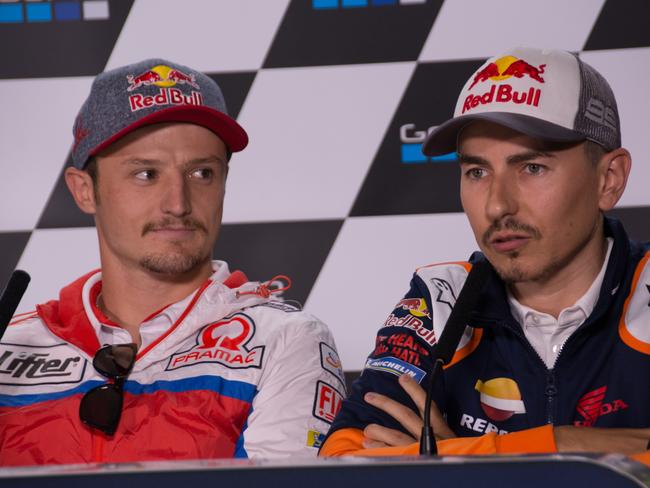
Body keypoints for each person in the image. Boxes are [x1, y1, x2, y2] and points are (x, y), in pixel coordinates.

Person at [0, 59, 345, 466]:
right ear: (84, 190)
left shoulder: (284, 341)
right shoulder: (10, 346)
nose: (178, 204)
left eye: (201, 173)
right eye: (146, 174)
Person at [320, 47, 650, 459]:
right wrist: (562, 444)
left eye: (532, 168)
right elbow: (342, 458)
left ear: (609, 180)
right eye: (477, 172)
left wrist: (450, 459)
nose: (496, 206)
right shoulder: (442, 297)